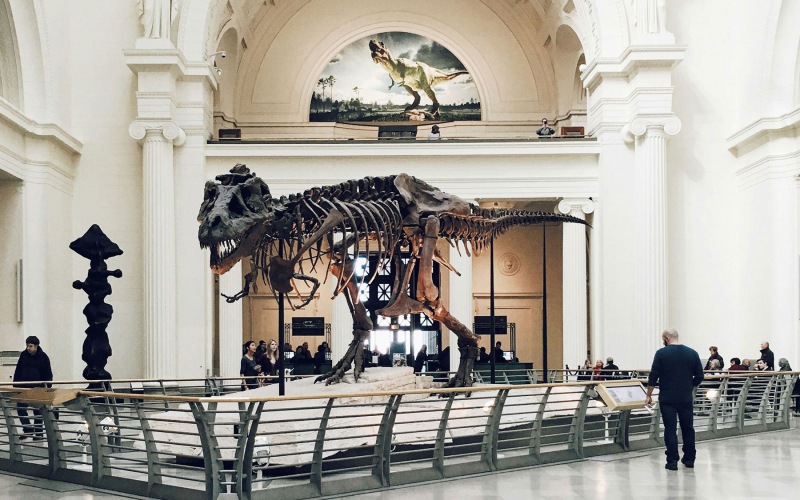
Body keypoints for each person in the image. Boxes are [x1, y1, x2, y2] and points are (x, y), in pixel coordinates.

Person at [645, 328, 704, 471]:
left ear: (666, 338)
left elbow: (653, 377)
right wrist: (690, 386)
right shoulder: (692, 353)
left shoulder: (661, 354)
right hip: (685, 397)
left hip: (667, 397)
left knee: (670, 429)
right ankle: (689, 459)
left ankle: (672, 461)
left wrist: (648, 395)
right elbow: (700, 375)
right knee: (688, 428)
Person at [13, 336, 53, 439]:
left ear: (36, 346)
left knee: (38, 411)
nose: (28, 348)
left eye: (30, 346)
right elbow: (18, 370)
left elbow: (48, 373)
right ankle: (28, 429)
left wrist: (46, 387)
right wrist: (16, 385)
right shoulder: (23, 355)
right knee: (20, 408)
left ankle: (39, 433)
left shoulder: (43, 357)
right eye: (27, 346)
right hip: (24, 388)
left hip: (38, 389)